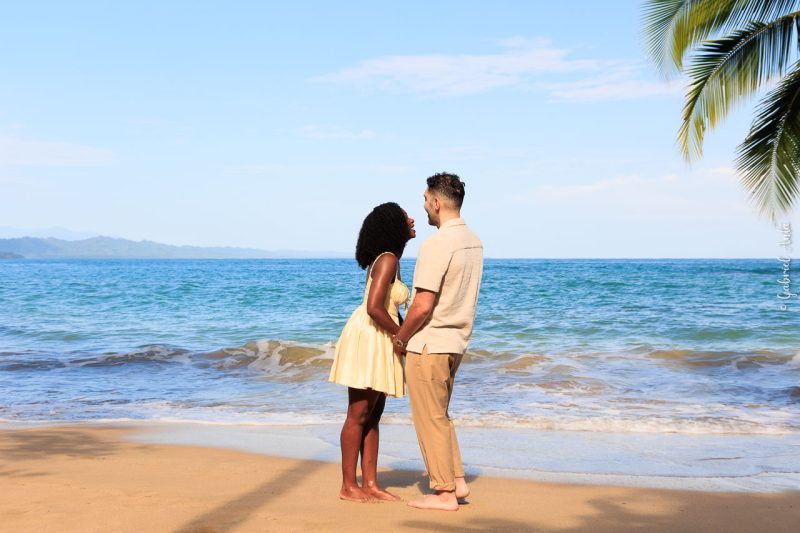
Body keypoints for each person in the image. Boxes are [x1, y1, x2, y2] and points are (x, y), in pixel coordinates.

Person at [392, 173, 483, 511]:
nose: (424, 207)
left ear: (437, 202)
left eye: (425, 200)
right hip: (455, 342)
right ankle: (456, 482)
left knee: (429, 419)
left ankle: (444, 493)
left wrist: (400, 339)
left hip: (429, 343)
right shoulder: (473, 241)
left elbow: (422, 304)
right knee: (440, 415)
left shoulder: (437, 244)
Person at [328, 202, 416, 502]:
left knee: (373, 415)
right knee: (358, 413)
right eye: (406, 216)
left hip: (379, 334)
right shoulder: (388, 259)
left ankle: (370, 484)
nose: (412, 219)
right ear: (394, 225)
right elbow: (375, 307)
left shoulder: (392, 259)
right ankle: (347, 485)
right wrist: (401, 337)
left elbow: (385, 307)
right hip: (371, 334)